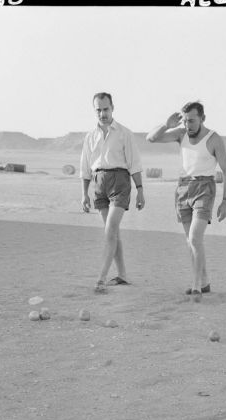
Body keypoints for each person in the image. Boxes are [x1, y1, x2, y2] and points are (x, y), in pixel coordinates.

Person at [146, 101, 226, 301]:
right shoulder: (180, 134)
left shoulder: (213, 139)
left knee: (195, 237)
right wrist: (167, 125)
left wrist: (225, 200)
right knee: (191, 241)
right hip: (183, 188)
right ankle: (204, 281)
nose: (188, 125)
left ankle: (196, 286)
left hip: (205, 188)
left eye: (192, 121)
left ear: (203, 118)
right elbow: (151, 138)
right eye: (185, 121)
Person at [80, 92, 145, 293]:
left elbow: (134, 164)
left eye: (105, 109)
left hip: (120, 182)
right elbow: (85, 167)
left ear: (112, 108)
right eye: (98, 110)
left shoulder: (125, 133)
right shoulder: (90, 137)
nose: (102, 113)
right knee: (114, 233)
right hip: (99, 183)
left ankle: (100, 279)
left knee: (110, 231)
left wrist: (140, 190)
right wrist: (84, 194)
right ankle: (122, 275)